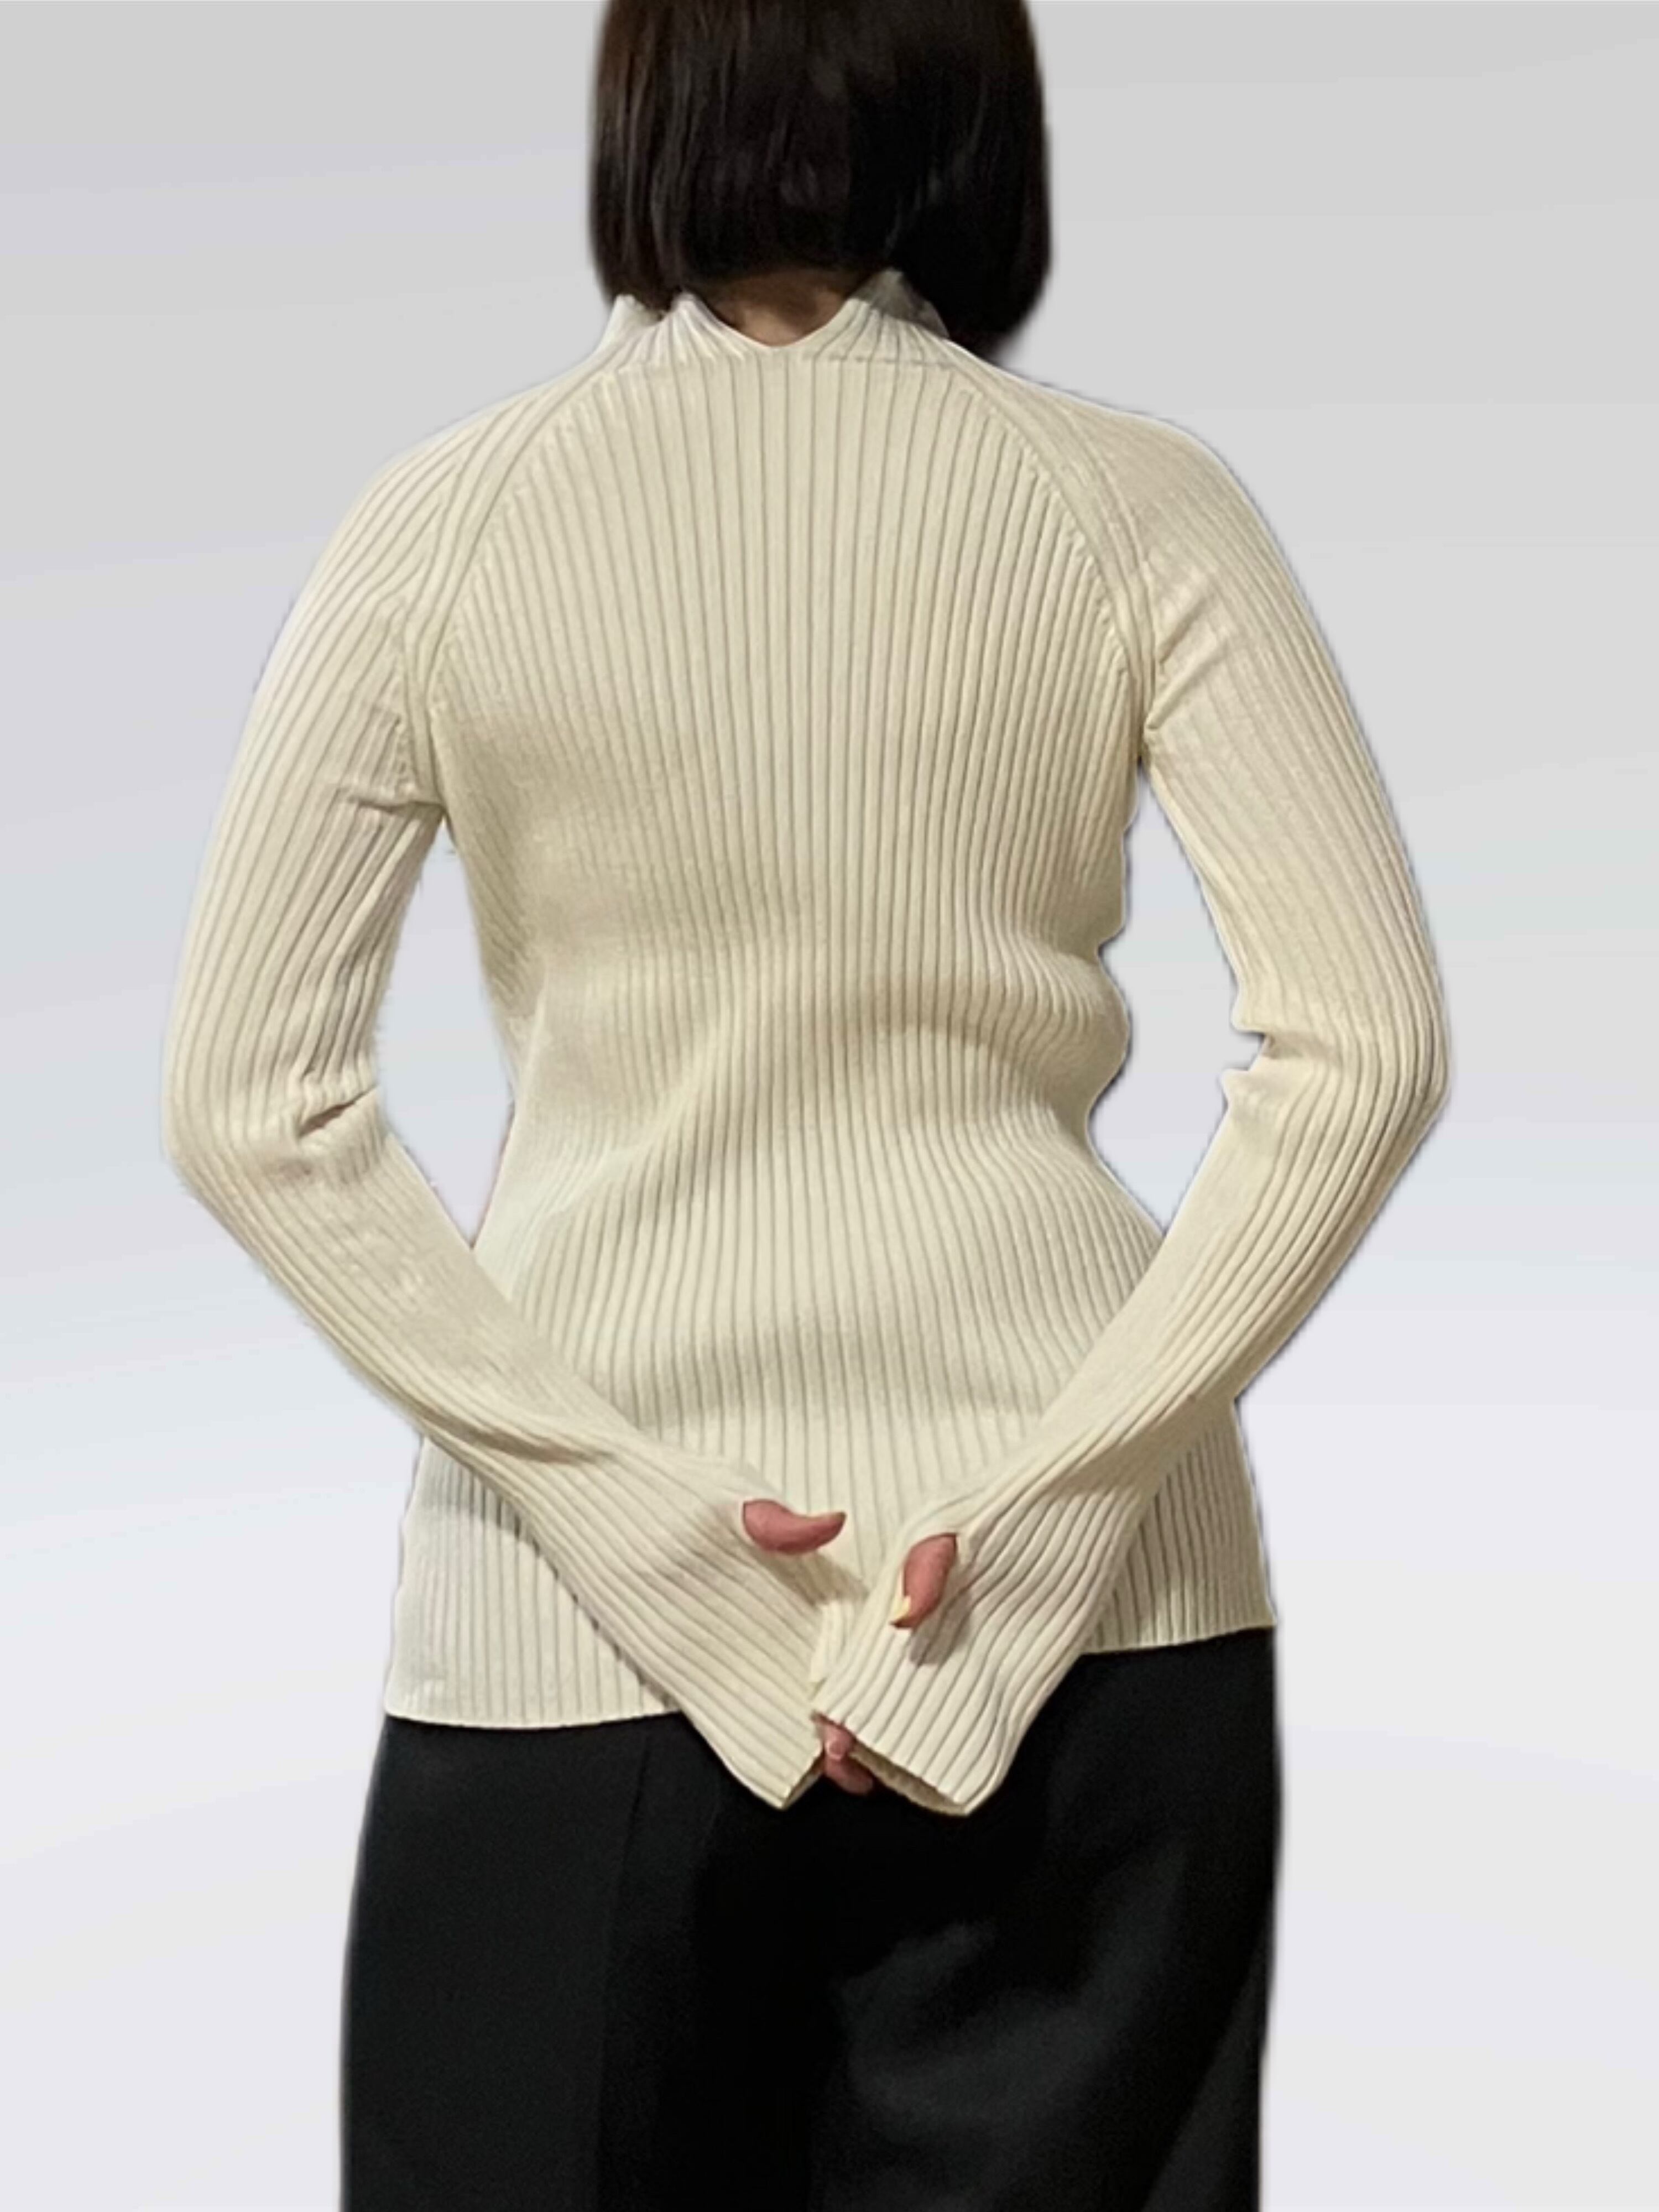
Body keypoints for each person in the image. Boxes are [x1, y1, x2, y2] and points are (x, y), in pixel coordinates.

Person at [159, 1, 1451, 2204]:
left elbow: (242, 1095)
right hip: (1087, 1631)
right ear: (977, 105)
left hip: (568, 1638)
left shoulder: (446, 521)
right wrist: (1043, 1524)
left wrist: (644, 1533)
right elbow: (1369, 1044)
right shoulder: (1134, 507)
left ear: (648, 95)